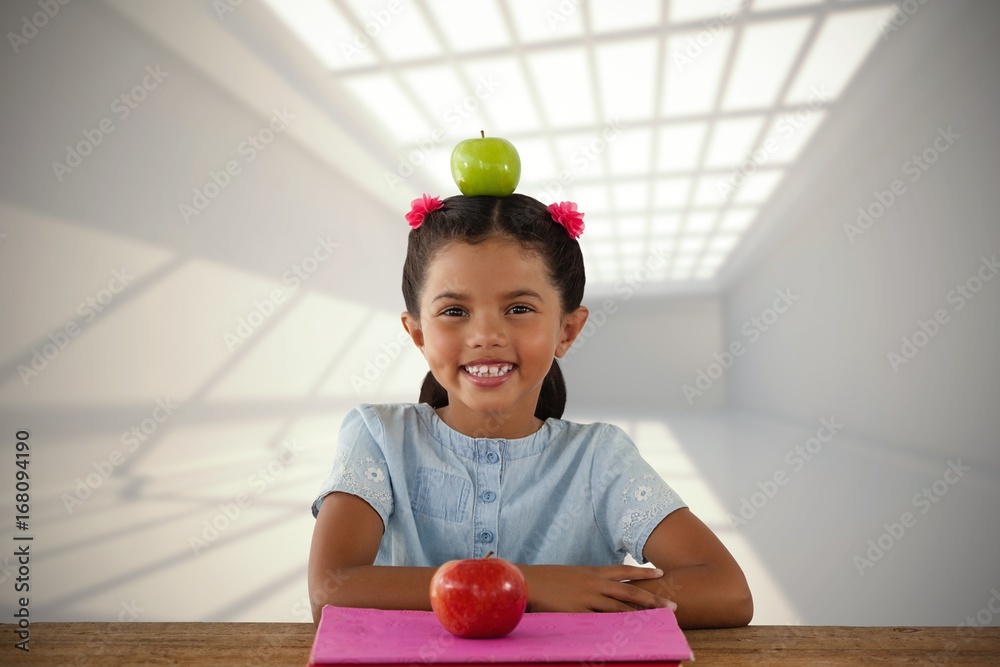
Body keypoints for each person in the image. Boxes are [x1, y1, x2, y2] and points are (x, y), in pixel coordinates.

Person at [308, 193, 753, 629]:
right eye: (455, 310)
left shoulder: (599, 457)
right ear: (418, 333)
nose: (485, 334)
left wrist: (589, 595)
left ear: (568, 329)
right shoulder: (379, 438)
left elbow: (727, 591)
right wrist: (528, 586)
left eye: (519, 308)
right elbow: (330, 591)